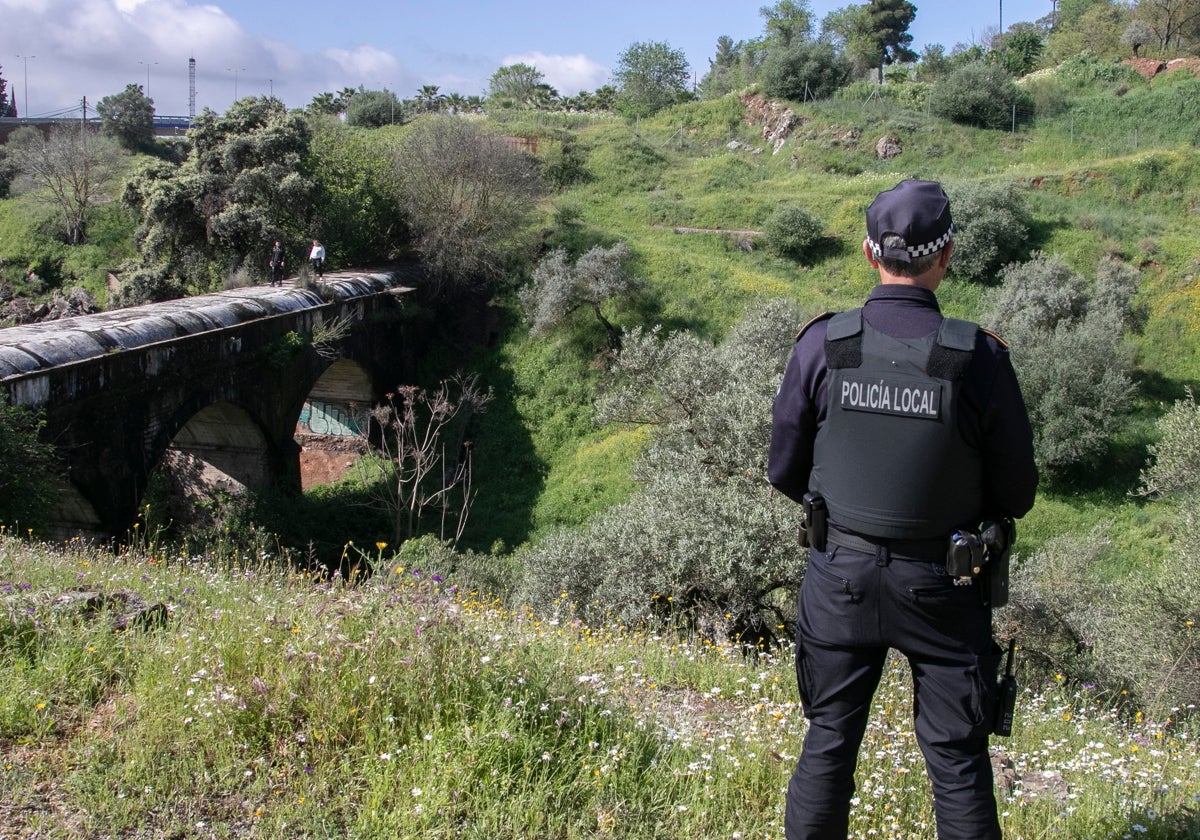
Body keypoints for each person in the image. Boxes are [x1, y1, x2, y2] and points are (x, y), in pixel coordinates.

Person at [767, 179, 1038, 840]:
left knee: (828, 745)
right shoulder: (976, 359)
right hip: (944, 587)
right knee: (957, 763)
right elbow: (1017, 496)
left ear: (869, 254)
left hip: (840, 578)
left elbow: (783, 471)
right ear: (946, 257)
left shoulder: (825, 345)